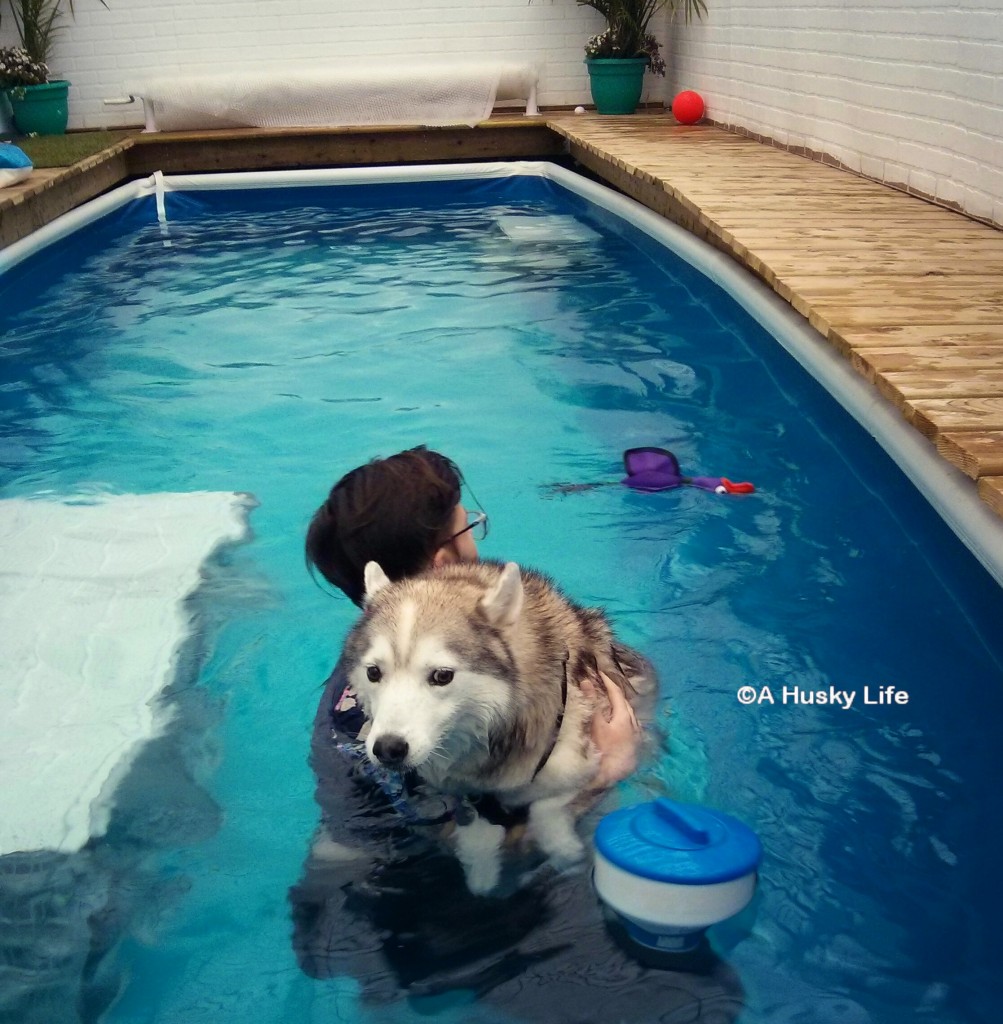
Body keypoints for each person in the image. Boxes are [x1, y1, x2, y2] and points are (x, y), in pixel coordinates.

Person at [289, 446, 744, 1021]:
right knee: (702, 1002)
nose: (478, 542)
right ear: (441, 562)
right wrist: (611, 769)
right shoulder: (436, 704)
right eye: (469, 528)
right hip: (457, 907)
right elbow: (477, 849)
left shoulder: (353, 684)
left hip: (345, 896)